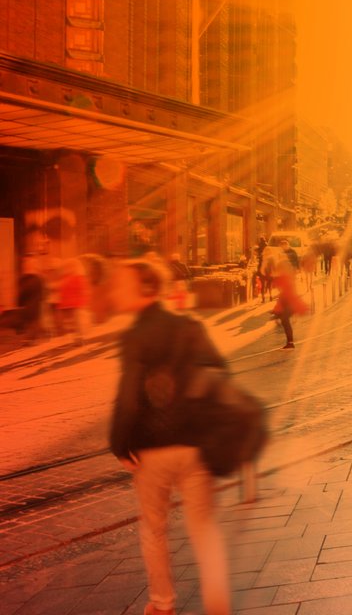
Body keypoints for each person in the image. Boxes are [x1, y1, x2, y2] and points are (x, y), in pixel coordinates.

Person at [109, 260, 230, 615]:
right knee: (204, 529)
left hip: (154, 450)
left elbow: (128, 395)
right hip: (195, 446)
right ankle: (218, 605)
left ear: (144, 290)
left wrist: (119, 442)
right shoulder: (188, 326)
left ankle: (162, 604)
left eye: (122, 285)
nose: (116, 292)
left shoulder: (136, 336)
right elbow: (217, 374)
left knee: (154, 529)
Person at [270, 240, 307, 350]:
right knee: (284, 319)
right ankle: (290, 342)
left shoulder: (285, 274)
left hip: (289, 300)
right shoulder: (286, 273)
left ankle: (290, 343)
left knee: (285, 319)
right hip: (287, 300)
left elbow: (284, 288)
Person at [56, 257, 89, 345]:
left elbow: (83, 290)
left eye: (71, 266)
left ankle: (79, 338)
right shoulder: (66, 277)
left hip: (76, 304)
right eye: (68, 266)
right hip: (67, 305)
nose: (69, 268)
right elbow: (62, 291)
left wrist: (83, 302)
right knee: (70, 323)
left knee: (77, 323)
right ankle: (76, 337)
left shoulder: (79, 277)